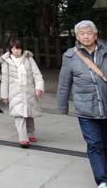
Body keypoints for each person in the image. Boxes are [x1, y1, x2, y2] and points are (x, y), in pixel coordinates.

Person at [58, 20, 107, 188]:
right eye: (82, 33)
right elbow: (64, 83)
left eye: (88, 33)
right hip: (86, 109)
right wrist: (62, 105)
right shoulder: (70, 56)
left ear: (95, 34)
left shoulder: (106, 52)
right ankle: (102, 180)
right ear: (77, 37)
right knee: (94, 144)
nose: (85, 36)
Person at [0, 38, 44, 148]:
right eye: (14, 49)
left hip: (28, 90)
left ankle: (31, 133)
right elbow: (4, 79)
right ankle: (23, 138)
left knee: (29, 114)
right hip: (15, 92)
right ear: (10, 49)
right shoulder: (6, 61)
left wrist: (39, 87)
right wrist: (4, 95)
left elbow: (37, 74)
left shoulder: (28, 59)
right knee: (19, 115)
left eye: (18, 49)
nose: (16, 51)